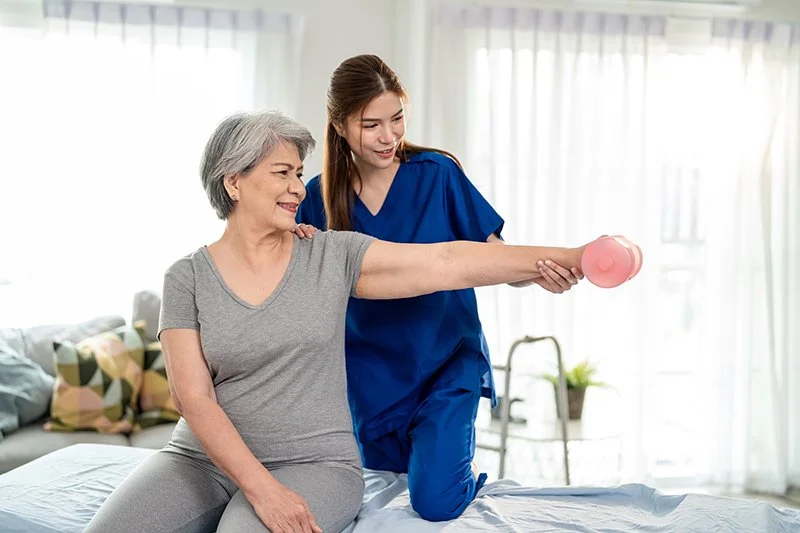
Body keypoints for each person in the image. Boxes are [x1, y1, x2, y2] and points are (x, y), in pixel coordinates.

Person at [83, 109, 587, 533]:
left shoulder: (328, 256)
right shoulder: (186, 277)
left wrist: (571, 256)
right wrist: (261, 489)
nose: (298, 188)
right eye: (282, 173)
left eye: (299, 174)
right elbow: (191, 398)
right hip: (199, 460)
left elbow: (446, 262)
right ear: (233, 181)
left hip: (313, 465)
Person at [296, 54, 584, 522]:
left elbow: (490, 254)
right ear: (340, 124)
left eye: (397, 118)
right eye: (372, 125)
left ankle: (462, 471)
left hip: (446, 364)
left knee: (434, 501)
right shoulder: (315, 198)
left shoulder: (437, 173)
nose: (389, 136)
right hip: (370, 375)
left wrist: (537, 272)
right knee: (381, 487)